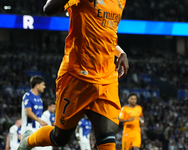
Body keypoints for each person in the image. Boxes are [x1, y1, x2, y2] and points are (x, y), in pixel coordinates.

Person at [17, 0, 129, 149]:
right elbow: (49, 8)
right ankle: (28, 141)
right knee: (59, 138)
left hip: (106, 77)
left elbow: (104, 30)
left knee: (107, 135)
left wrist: (120, 52)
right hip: (76, 77)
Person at [20, 76, 47, 149]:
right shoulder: (28, 96)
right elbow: (28, 112)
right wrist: (40, 121)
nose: (44, 87)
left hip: (37, 130)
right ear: (37, 85)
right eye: (43, 84)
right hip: (28, 129)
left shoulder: (39, 99)